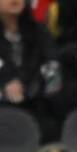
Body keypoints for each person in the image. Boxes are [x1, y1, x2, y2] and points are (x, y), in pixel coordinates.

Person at [0, 0, 64, 141]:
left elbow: (53, 73)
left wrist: (31, 88)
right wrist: (5, 89)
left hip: (36, 109)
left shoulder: (39, 32)